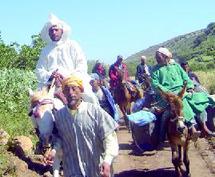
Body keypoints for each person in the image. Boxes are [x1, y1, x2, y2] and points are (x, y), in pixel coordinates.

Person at [44, 75, 119, 177]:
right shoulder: (59, 116)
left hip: (97, 170)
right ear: (63, 93)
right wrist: (54, 151)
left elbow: (109, 138)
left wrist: (107, 161)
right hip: (72, 170)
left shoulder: (96, 112)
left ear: (81, 90)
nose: (71, 93)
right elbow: (60, 139)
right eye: (67, 89)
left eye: (74, 89)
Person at [151, 47, 215, 144]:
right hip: (166, 96)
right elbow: (155, 85)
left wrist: (189, 86)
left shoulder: (175, 66)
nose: (157, 58)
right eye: (156, 56)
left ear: (165, 57)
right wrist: (168, 93)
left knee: (200, 99)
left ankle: (205, 124)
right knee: (181, 101)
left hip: (182, 91)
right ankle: (193, 127)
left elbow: (185, 77)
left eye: (158, 56)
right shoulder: (155, 70)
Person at [35, 14, 98, 104]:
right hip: (51, 83)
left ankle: (95, 115)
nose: (54, 32)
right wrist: (50, 75)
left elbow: (81, 65)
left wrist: (68, 78)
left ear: (62, 31)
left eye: (56, 30)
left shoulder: (72, 45)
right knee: (37, 104)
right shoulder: (45, 50)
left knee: (90, 97)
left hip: (73, 80)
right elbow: (39, 70)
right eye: (51, 30)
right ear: (48, 33)